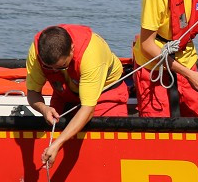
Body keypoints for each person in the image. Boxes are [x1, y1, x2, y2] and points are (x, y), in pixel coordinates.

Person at [27, 24, 130, 166]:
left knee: (108, 151)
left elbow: (87, 109)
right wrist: (44, 109)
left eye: (62, 66)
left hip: (105, 95)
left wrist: (58, 143)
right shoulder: (37, 51)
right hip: (65, 94)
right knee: (52, 142)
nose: (55, 71)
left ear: (72, 50)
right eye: (49, 68)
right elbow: (32, 93)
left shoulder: (91, 55)